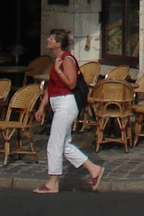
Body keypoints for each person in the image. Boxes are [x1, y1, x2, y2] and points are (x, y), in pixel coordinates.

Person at [31, 29, 105, 194]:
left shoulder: (67, 60)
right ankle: (93, 169)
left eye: (51, 38)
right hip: (57, 102)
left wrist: (58, 71)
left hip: (66, 103)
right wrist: (42, 106)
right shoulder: (56, 60)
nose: (47, 40)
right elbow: (51, 87)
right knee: (64, 144)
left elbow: (71, 84)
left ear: (58, 43)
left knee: (54, 144)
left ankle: (53, 181)